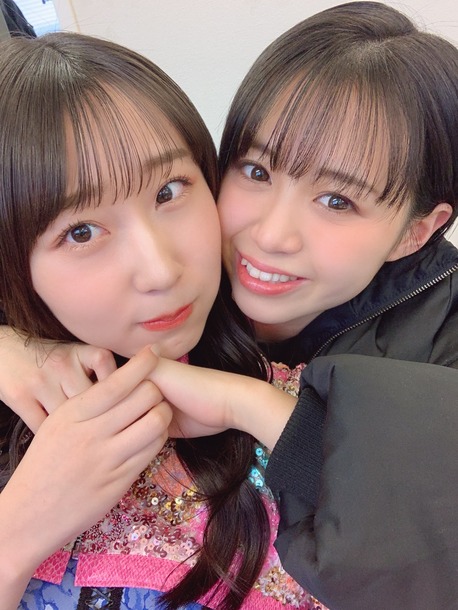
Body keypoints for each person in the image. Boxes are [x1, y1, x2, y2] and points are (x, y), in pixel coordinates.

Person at [2, 1, 458, 608]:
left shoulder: (436, 350)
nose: (270, 236)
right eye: (257, 171)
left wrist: (252, 405)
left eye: (338, 201)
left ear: (416, 231)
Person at [0, 31, 320, 610]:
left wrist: (252, 406)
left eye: (170, 191)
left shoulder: (311, 378)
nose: (161, 270)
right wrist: (18, 531)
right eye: (81, 231)